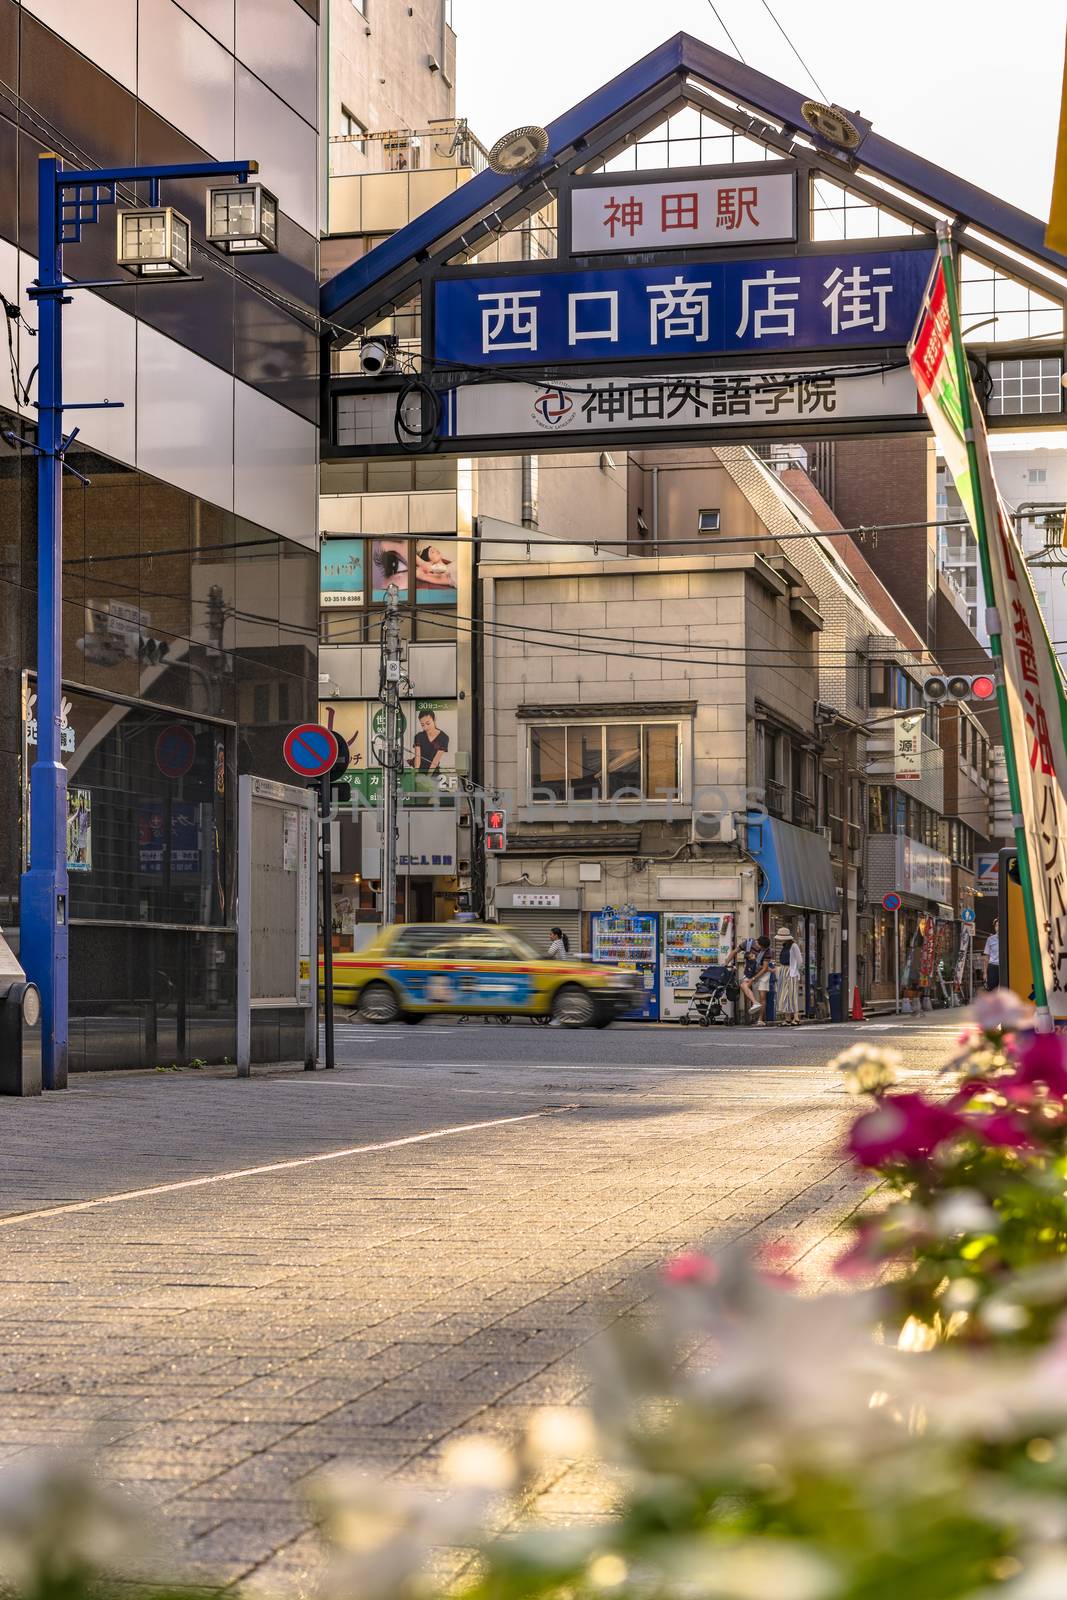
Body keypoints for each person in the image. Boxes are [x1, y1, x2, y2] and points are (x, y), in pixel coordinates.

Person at [774, 925, 803, 1027]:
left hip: (791, 971)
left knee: (791, 994)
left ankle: (796, 1017)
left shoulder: (794, 946)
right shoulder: (785, 946)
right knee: (783, 994)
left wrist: (795, 970)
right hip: (783, 970)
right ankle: (787, 1018)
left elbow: (800, 961)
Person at [409, 708, 450, 774]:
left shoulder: (444, 737)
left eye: (428, 723)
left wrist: (428, 777)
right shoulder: (419, 736)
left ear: (434, 720)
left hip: (433, 771)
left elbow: (435, 761)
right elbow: (417, 758)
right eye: (422, 725)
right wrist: (416, 775)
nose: (425, 727)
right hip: (419, 769)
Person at [744, 936, 773, 1026]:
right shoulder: (749, 944)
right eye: (762, 947)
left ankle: (760, 1020)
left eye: (765, 948)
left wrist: (753, 979)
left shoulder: (767, 951)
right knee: (744, 986)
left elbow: (764, 969)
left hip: (763, 974)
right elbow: (735, 951)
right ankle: (754, 1005)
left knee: (762, 996)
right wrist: (726, 962)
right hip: (751, 972)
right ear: (757, 943)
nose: (763, 949)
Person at [984, 919, 1000, 991]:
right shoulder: (990, 939)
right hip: (993, 967)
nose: (998, 927)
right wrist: (985, 973)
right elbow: (986, 956)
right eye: (996, 926)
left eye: (999, 925)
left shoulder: (1009, 938)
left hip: (1005, 967)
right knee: (993, 990)